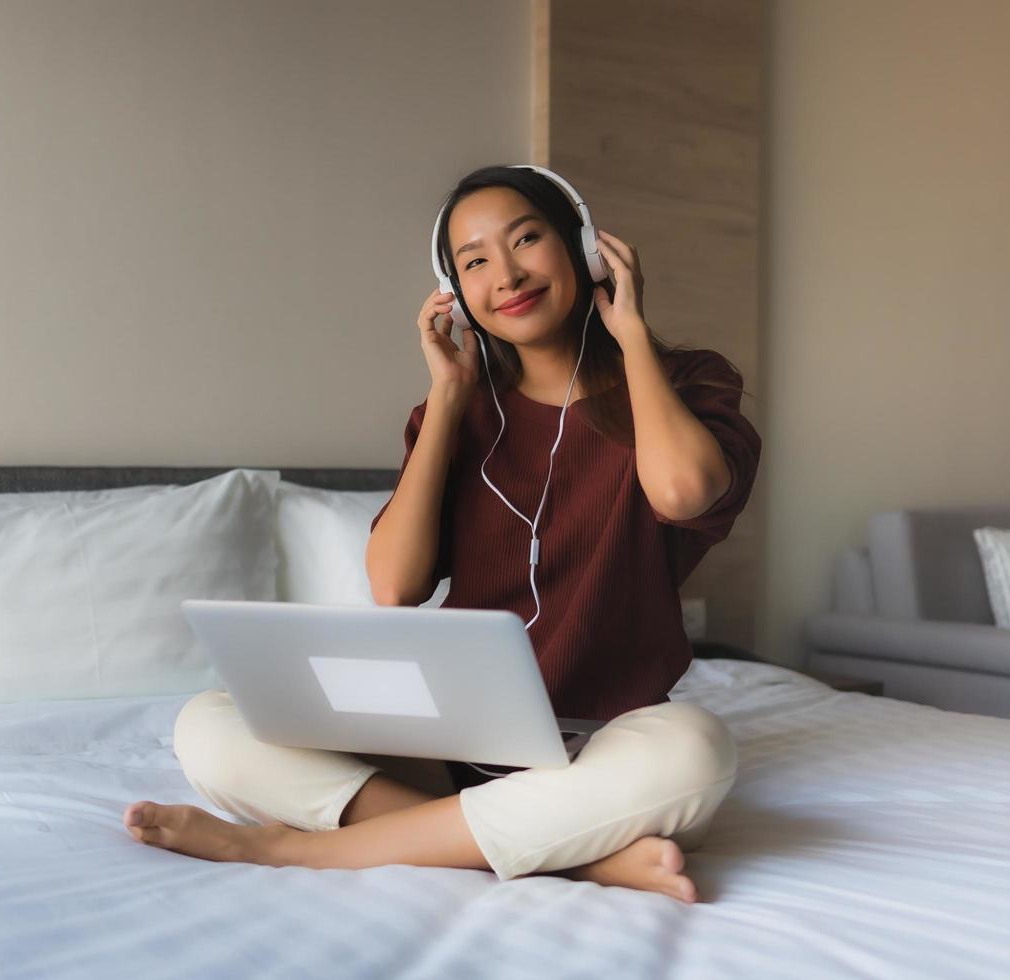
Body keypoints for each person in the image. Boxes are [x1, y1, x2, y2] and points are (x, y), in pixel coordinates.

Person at [123, 165, 762, 904]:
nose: (509, 273)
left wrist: (631, 338)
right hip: (448, 736)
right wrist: (448, 397)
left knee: (695, 753)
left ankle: (296, 851)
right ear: (457, 293)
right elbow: (394, 585)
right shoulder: (458, 413)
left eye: (528, 239)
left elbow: (684, 492)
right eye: (476, 261)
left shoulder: (687, 382)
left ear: (584, 248)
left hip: (598, 738)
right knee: (210, 723)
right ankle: (580, 859)